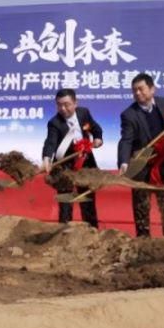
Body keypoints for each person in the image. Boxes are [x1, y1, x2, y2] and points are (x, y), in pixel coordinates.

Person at [117, 73, 164, 239]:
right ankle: (143, 240)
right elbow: (126, 140)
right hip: (142, 167)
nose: (137, 93)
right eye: (134, 90)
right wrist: (124, 162)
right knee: (141, 206)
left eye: (141, 89)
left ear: (152, 89)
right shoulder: (129, 114)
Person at [40, 88, 103, 226]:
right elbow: (50, 142)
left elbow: (95, 128)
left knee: (88, 200)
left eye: (66, 104)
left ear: (75, 103)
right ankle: (63, 232)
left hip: (85, 164)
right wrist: (46, 158)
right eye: (59, 105)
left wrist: (98, 138)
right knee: (65, 204)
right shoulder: (54, 123)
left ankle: (91, 231)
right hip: (65, 166)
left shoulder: (84, 113)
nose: (63, 108)